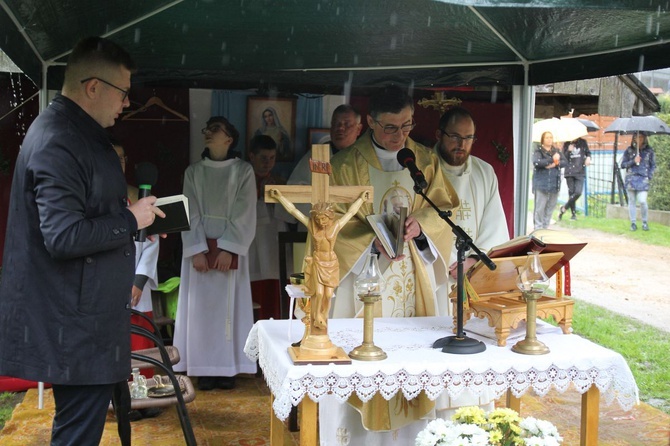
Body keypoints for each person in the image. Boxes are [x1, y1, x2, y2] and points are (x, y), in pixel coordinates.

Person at [0, 36, 163, 445]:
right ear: (93, 87)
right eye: (123, 93)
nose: (126, 103)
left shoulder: (73, 131)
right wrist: (129, 217)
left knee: (79, 432)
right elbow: (63, 235)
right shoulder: (60, 139)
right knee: (77, 436)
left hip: (81, 317)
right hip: (73, 323)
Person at [321, 84, 459, 443]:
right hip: (365, 276)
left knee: (415, 365)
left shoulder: (424, 160)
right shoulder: (344, 165)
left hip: (414, 275)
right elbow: (329, 227)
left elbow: (443, 209)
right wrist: (374, 242)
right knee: (366, 367)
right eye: (391, 127)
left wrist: (422, 225)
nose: (401, 136)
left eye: (408, 125)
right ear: (370, 122)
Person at [173, 116, 257, 391]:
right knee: (201, 311)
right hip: (199, 255)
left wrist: (227, 249)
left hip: (227, 253)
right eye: (207, 130)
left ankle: (227, 368)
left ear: (229, 139)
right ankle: (202, 367)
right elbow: (189, 211)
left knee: (227, 311)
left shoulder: (243, 171)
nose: (208, 134)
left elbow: (245, 212)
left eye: (215, 130)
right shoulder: (193, 172)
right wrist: (197, 249)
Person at [433, 106, 509, 315]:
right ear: (439, 134)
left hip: (472, 271)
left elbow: (494, 225)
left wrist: (473, 260)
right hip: (432, 272)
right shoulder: (424, 168)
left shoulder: (484, 172)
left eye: (469, 138)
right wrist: (449, 263)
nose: (462, 145)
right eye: (455, 136)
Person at [269, 188, 370, 335]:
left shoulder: (335, 227)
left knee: (328, 295)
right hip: (318, 262)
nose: (321, 222)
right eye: (318, 219)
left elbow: (350, 213)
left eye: (324, 218)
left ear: (330, 217)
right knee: (320, 294)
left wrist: (361, 199)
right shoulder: (313, 227)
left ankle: (322, 315)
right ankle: (317, 317)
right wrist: (280, 197)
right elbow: (294, 211)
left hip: (331, 264)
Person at [112, 140, 162, 423]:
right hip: (109, 285)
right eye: (113, 157)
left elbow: (152, 242)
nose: (119, 162)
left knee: (142, 345)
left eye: (122, 157)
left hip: (136, 289)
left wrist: (139, 281)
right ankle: (120, 400)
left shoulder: (137, 196)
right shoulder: (97, 196)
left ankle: (146, 397)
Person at [280, 103, 363, 223]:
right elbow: (295, 191)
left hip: (353, 227)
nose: (340, 128)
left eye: (347, 124)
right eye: (336, 123)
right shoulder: (316, 157)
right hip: (318, 224)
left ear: (359, 129)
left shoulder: (363, 159)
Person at [247, 134, 290, 319]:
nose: (268, 163)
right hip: (253, 241)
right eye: (263, 158)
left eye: (272, 158)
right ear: (252, 157)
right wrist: (258, 196)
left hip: (275, 239)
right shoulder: (244, 181)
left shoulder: (279, 181)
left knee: (277, 287)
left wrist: (277, 199)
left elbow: (290, 215)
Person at [620, 132, 656, 231]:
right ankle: (633, 223)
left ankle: (644, 222)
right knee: (632, 201)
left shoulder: (649, 151)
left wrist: (649, 176)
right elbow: (623, 165)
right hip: (631, 179)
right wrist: (633, 161)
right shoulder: (629, 150)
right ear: (634, 139)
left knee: (642, 201)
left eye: (641, 137)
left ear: (644, 138)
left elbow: (653, 165)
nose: (639, 139)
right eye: (637, 137)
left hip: (643, 179)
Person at [532, 131, 567, 230]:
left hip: (554, 183)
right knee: (540, 208)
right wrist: (552, 160)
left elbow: (564, 162)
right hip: (541, 183)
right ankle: (538, 229)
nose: (549, 139)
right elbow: (537, 162)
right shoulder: (538, 151)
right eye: (547, 137)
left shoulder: (556, 151)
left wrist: (556, 163)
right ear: (543, 139)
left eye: (551, 137)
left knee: (550, 207)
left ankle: (545, 227)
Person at [559, 137, 591, 221]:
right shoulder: (567, 143)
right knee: (571, 192)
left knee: (578, 192)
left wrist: (588, 158)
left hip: (580, 171)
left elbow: (588, 153)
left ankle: (564, 208)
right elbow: (563, 158)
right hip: (569, 172)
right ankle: (573, 214)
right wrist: (569, 150)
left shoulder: (583, 142)